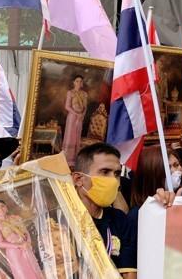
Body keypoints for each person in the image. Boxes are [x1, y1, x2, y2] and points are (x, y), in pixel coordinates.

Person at [71, 143, 136, 278]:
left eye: (117, 174)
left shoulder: (120, 220)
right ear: (78, 179)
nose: (113, 180)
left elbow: (129, 273)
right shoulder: (61, 215)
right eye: (105, 172)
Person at [0, 200, 44, 279]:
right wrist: (19, 246)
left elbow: (26, 232)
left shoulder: (16, 217)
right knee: (22, 272)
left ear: (6, 207)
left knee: (34, 269)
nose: (0, 209)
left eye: (2, 206)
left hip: (26, 247)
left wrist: (28, 242)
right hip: (14, 252)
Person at [62, 75, 88, 166]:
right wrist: (77, 114)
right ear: (74, 82)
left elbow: (85, 107)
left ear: (82, 83)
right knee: (70, 137)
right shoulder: (70, 93)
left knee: (77, 137)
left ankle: (75, 158)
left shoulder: (84, 94)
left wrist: (82, 116)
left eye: (80, 81)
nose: (79, 83)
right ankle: (68, 158)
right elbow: (67, 106)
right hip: (72, 117)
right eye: (77, 81)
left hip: (80, 118)